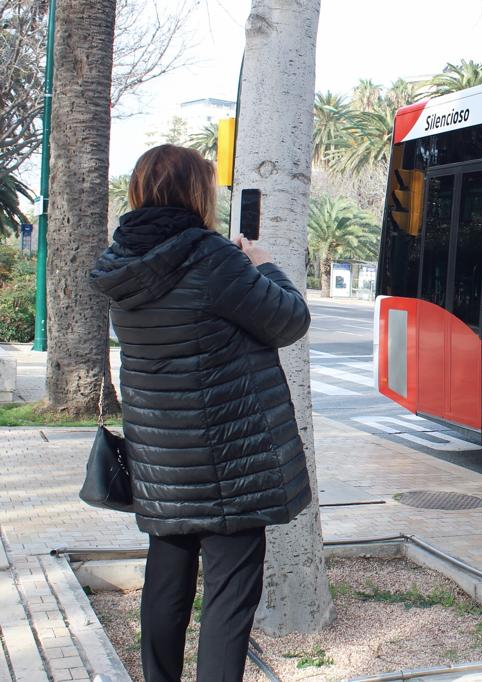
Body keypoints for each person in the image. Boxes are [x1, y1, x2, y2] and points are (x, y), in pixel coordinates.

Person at [90, 145, 312, 681]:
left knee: (166, 587)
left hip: (160, 464)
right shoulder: (213, 259)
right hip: (228, 468)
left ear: (139, 192)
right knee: (229, 601)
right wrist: (265, 266)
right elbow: (289, 321)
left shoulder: (120, 268)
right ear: (196, 194)